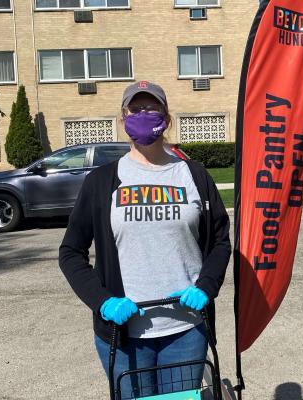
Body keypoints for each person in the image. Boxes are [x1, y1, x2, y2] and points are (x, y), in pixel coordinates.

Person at [59, 80, 231, 397]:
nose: (144, 114)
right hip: (124, 334)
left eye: (152, 108)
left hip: (186, 329)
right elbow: (71, 252)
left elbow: (220, 240)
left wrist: (206, 285)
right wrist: (102, 302)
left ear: (166, 117)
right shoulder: (101, 181)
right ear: (123, 119)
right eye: (135, 109)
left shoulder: (193, 175)